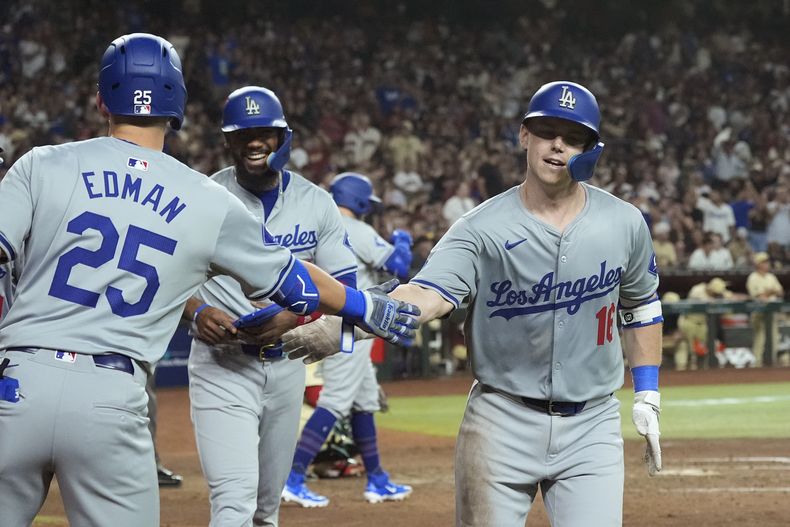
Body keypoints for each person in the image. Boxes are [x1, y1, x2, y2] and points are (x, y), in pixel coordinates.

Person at [0, 33, 419, 527]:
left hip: (16, 385)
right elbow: (297, 281)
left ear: (100, 101)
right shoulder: (205, 198)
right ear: (178, 105)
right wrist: (363, 306)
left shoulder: (41, 163)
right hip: (110, 396)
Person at [386, 81, 663, 526]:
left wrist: (647, 393)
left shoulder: (625, 222)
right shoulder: (479, 228)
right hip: (500, 420)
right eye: (547, 131)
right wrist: (381, 309)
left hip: (592, 423)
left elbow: (641, 305)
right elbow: (431, 291)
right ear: (524, 136)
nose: (558, 145)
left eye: (573, 137)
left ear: (592, 149)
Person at [185, 86, 358, 527]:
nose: (255, 142)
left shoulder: (316, 201)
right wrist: (197, 312)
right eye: (243, 134)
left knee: (266, 510)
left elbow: (346, 285)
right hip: (222, 365)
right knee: (234, 503)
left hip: (287, 365)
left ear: (284, 138)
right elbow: (163, 275)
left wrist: (294, 316)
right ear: (228, 141)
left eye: (266, 132)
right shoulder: (201, 197)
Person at [283, 172, 414, 507]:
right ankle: (294, 477)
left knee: (364, 402)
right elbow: (399, 265)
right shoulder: (357, 229)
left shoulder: (321, 224)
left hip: (335, 321)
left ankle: (377, 479)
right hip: (349, 326)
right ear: (358, 200)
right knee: (336, 400)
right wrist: (402, 241)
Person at [677, 277, 735, 370]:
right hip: (690, 321)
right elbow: (703, 301)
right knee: (689, 349)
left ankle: (702, 371)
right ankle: (682, 370)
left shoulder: (716, 294)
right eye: (716, 294)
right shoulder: (697, 290)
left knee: (706, 349)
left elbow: (729, 295)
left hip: (703, 323)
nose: (717, 295)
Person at [746, 252, 785, 366]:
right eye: (764, 262)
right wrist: (771, 292)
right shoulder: (753, 277)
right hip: (758, 313)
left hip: (772, 312)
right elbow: (758, 296)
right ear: (758, 264)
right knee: (760, 338)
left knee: (774, 338)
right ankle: (757, 363)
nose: (767, 264)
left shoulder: (771, 277)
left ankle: (772, 363)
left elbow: (780, 292)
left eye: (767, 262)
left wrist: (769, 292)